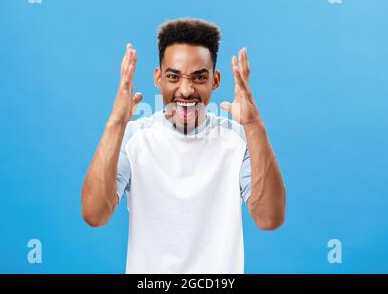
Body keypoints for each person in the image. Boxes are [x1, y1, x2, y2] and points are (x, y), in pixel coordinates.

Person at [81, 18, 286, 273]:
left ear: (215, 80)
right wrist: (115, 123)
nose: (186, 90)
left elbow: (270, 218)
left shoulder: (239, 139)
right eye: (173, 76)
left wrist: (254, 125)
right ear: (158, 78)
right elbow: (95, 214)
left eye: (199, 77)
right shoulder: (132, 137)